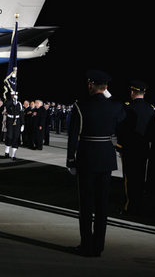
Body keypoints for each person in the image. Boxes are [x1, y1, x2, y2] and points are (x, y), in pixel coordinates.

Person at [67, 70, 125, 257]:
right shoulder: (115, 106)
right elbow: (123, 117)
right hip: (106, 157)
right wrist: (109, 96)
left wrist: (70, 160)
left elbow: (73, 136)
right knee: (102, 206)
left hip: (86, 156)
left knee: (86, 205)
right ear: (106, 87)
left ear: (91, 85)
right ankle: (98, 246)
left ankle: (86, 245)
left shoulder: (80, 106)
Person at [117, 80, 154, 215]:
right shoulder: (150, 109)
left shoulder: (127, 107)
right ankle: (139, 205)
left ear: (132, 92)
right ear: (144, 93)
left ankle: (130, 206)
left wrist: (120, 146)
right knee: (140, 177)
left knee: (129, 178)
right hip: (144, 148)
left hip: (129, 148)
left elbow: (121, 129)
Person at [4, 92, 24, 160]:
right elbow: (7, 106)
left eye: (15, 95)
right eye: (13, 95)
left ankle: (13, 155)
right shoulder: (8, 102)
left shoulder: (19, 104)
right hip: (10, 120)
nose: (14, 97)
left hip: (17, 121)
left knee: (16, 137)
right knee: (9, 136)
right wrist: (13, 101)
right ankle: (6, 151)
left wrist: (22, 124)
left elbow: (21, 114)